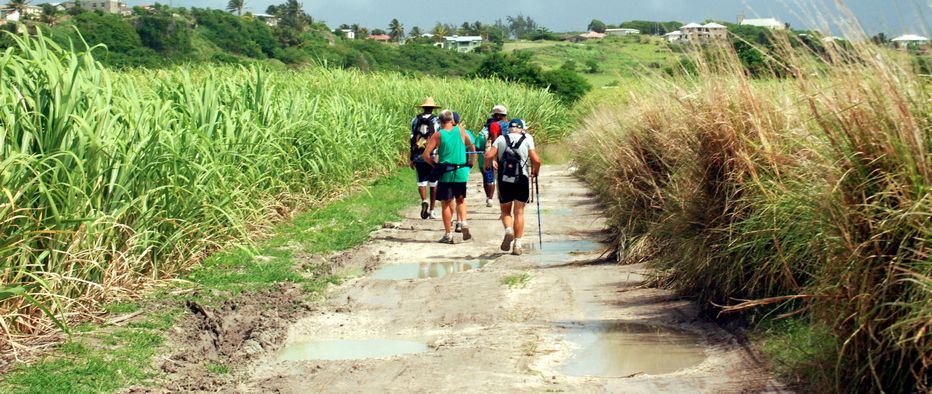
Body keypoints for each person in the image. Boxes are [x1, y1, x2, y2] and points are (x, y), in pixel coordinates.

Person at [484, 118, 541, 255]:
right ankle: (517, 244)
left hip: (504, 179)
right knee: (519, 212)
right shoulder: (527, 139)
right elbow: (537, 160)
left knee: (505, 211)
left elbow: (487, 156)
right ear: (521, 129)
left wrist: (489, 165)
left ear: (509, 128)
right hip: (521, 178)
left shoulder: (500, 139)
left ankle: (508, 229)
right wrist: (535, 172)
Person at [423, 110, 477, 244]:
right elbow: (470, 145)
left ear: (440, 121)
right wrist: (471, 160)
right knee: (460, 200)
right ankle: (463, 222)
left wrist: (434, 165)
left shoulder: (438, 135)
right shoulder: (461, 130)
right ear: (452, 120)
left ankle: (448, 234)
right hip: (460, 172)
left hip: (446, 173)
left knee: (446, 203)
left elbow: (426, 154)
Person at [410, 97, 441, 219]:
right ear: (433, 108)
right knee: (434, 183)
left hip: (418, 155)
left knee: (421, 182)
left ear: (423, 107)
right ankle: (432, 210)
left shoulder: (415, 120)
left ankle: (424, 200)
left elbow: (412, 138)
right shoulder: (437, 120)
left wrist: (411, 157)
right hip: (433, 155)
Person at [477, 105, 509, 207]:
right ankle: (508, 203)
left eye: (494, 115)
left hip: (499, 155)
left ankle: (500, 204)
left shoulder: (495, 125)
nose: (494, 117)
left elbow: (495, 142)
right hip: (510, 155)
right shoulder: (510, 125)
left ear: (498, 115)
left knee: (497, 179)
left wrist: (493, 158)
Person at [452, 112, 475, 234]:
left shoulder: (444, 133)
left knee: (451, 198)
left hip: (449, 168)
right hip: (463, 167)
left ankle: (456, 221)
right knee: (460, 198)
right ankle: (460, 221)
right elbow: (472, 147)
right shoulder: (465, 132)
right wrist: (471, 161)